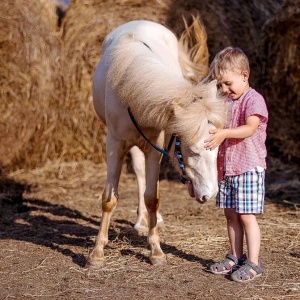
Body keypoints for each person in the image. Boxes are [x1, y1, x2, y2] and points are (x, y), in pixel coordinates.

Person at [204, 47, 268, 283]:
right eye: (220, 85)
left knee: (246, 216)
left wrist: (224, 134)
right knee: (230, 216)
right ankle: (235, 256)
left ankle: (253, 262)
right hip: (227, 169)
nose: (224, 89)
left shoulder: (254, 100)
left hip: (248, 167)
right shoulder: (223, 100)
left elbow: (250, 128)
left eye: (228, 83)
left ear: (244, 75)